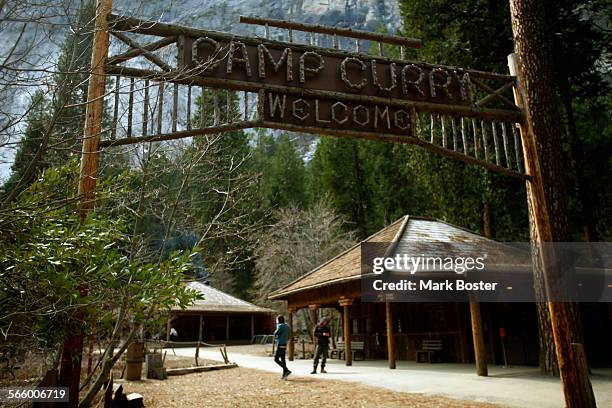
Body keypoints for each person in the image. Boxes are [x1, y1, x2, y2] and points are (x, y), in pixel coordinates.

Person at [273, 315, 291, 380]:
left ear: (278, 320)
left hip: (280, 344)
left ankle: (287, 370)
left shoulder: (280, 326)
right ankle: (284, 375)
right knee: (283, 359)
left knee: (276, 359)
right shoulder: (287, 326)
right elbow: (289, 335)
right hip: (285, 344)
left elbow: (275, 333)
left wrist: (276, 335)